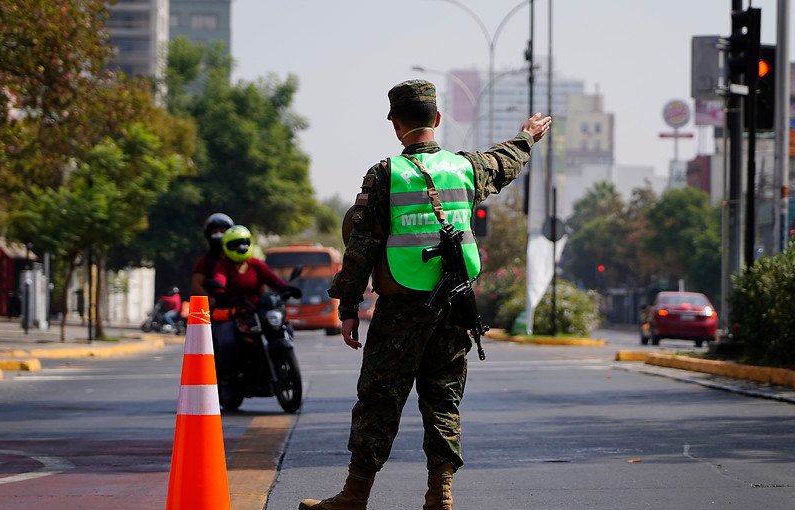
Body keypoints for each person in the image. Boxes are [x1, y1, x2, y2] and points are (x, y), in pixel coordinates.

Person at [300, 80, 551, 510]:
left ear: (396, 125)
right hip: (455, 306)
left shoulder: (384, 175)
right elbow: (503, 162)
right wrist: (527, 136)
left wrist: (348, 307)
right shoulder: (466, 167)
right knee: (444, 398)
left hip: (401, 307)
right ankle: (441, 494)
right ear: (436, 119)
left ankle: (354, 496)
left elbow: (361, 248)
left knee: (379, 399)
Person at [205, 225, 301, 391]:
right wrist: (219, 291)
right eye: (236, 244)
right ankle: (228, 379)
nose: (241, 247)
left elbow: (273, 280)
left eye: (244, 242)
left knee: (286, 329)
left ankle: (275, 366)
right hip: (235, 313)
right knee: (229, 342)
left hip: (258, 310)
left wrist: (287, 288)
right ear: (226, 246)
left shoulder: (255, 264)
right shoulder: (223, 265)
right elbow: (218, 280)